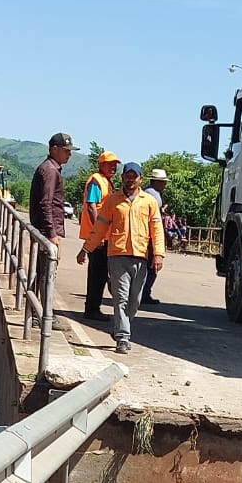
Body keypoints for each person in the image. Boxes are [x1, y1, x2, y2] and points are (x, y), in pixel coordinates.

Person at [99, 161, 163, 354]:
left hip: (141, 255)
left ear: (140, 179)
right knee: (120, 299)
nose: (130, 179)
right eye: (127, 176)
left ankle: (122, 323)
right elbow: (100, 225)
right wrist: (87, 248)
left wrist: (158, 253)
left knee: (134, 300)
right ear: (123, 178)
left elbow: (157, 229)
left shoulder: (149, 201)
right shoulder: (112, 201)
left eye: (134, 176)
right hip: (117, 255)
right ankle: (123, 337)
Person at [75, 150, 120, 320]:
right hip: (98, 235)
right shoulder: (96, 181)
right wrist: (98, 232)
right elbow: (92, 206)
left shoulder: (105, 182)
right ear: (101, 165)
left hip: (103, 235)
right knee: (97, 273)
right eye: (110, 164)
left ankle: (94, 307)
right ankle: (92, 309)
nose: (113, 167)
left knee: (100, 273)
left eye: (115, 165)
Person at [29, 133, 75, 250]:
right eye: (66, 150)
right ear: (54, 149)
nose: (70, 154)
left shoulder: (50, 168)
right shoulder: (50, 170)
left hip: (45, 230)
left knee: (45, 266)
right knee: (47, 266)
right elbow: (46, 203)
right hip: (47, 233)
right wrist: (51, 233)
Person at [140, 167, 169, 305]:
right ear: (156, 181)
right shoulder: (154, 196)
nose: (165, 184)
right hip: (150, 234)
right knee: (152, 266)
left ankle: (142, 292)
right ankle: (144, 293)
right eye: (162, 182)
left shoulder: (146, 192)